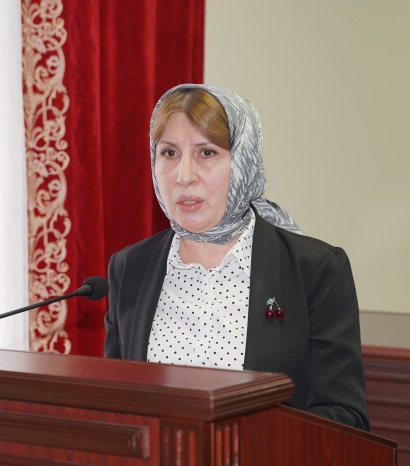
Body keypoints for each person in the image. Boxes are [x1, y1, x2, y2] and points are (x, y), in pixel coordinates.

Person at [104, 84, 369, 430]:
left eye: (207, 153)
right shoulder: (130, 268)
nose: (184, 176)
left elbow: (345, 418)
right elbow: (116, 406)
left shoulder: (314, 270)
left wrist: (241, 443)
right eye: (169, 153)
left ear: (244, 160)